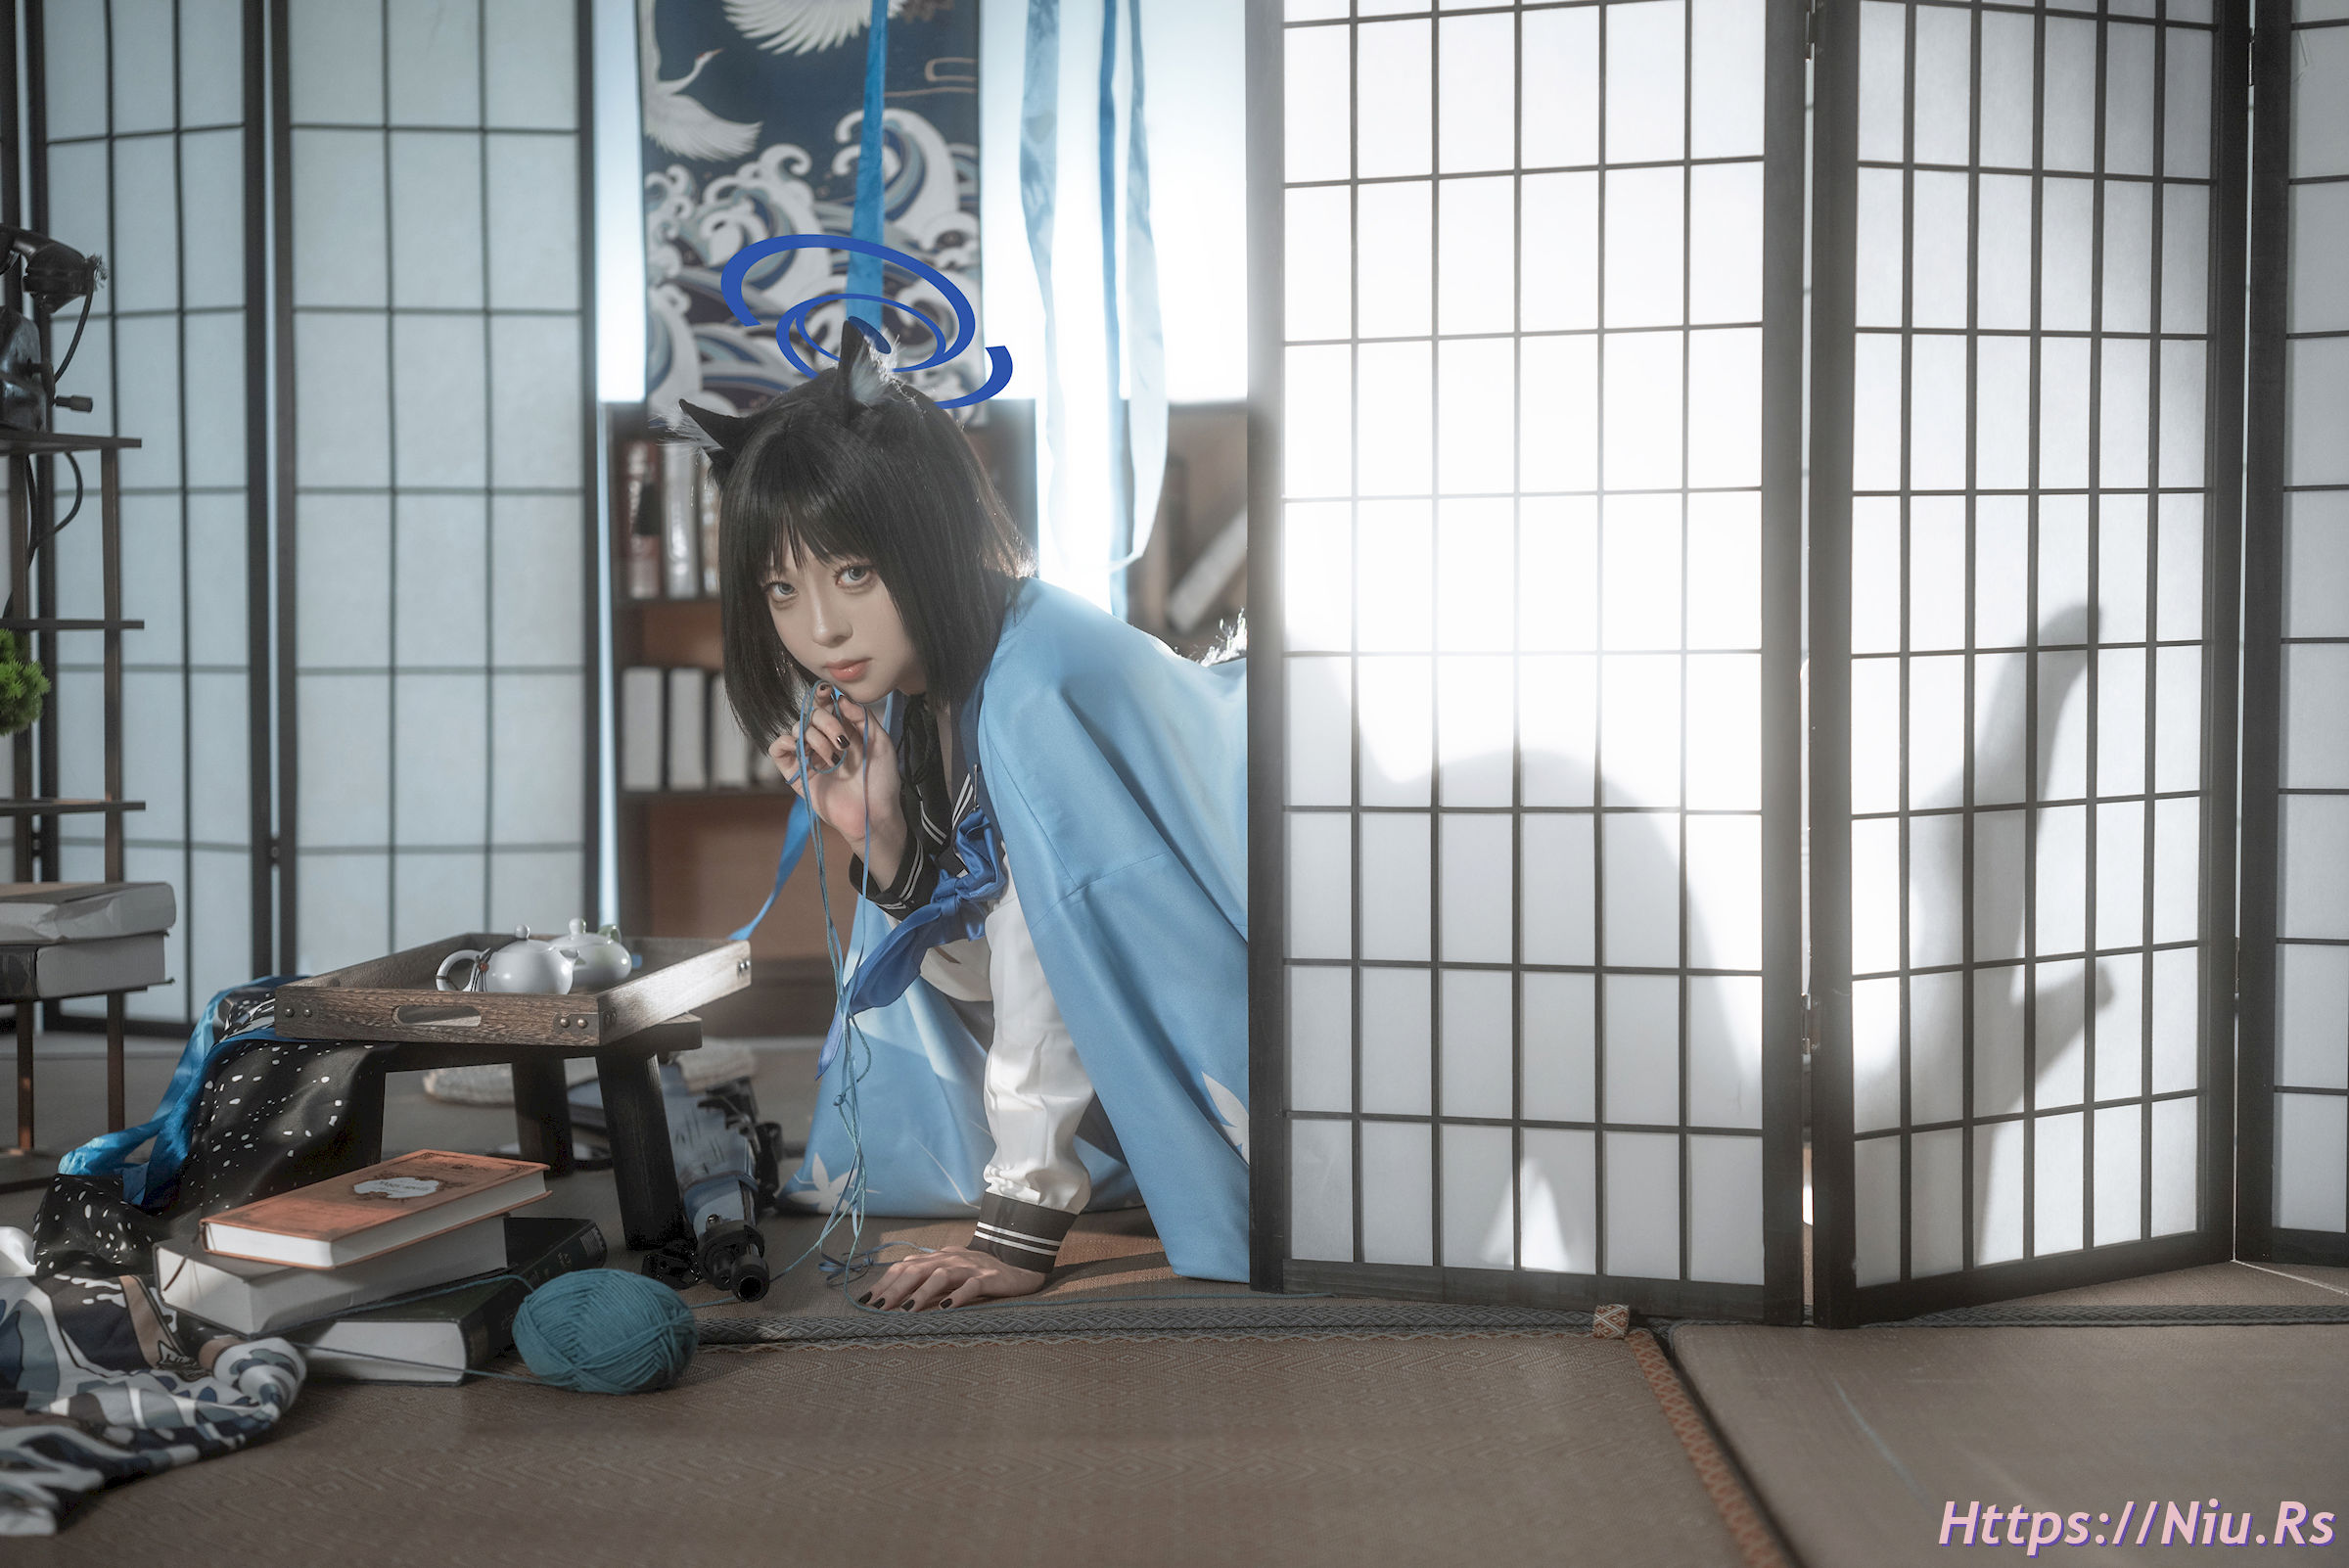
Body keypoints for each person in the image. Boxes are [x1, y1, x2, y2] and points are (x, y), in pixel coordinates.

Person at [683, 326, 1249, 1310]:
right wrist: (878, 834)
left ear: (931, 535)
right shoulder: (927, 677)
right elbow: (992, 957)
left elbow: (1053, 945)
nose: (820, 628)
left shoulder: (1033, 682)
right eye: (781, 587)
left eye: (853, 573)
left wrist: (1018, 1228)